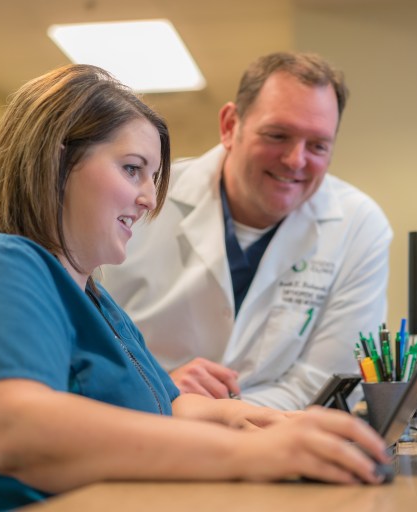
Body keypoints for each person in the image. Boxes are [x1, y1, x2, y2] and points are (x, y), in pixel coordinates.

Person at [0, 64, 390, 511]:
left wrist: (286, 427)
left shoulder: (97, 303)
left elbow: (174, 405)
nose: (150, 197)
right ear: (56, 160)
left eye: (153, 177)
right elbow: (13, 431)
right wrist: (249, 452)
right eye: (133, 169)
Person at [102, 52, 393, 410]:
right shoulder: (140, 198)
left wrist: (209, 412)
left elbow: (325, 381)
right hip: (140, 431)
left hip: (270, 449)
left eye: (318, 145)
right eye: (277, 135)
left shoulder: (359, 226)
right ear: (229, 125)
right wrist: (158, 389)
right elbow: (87, 346)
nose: (296, 160)